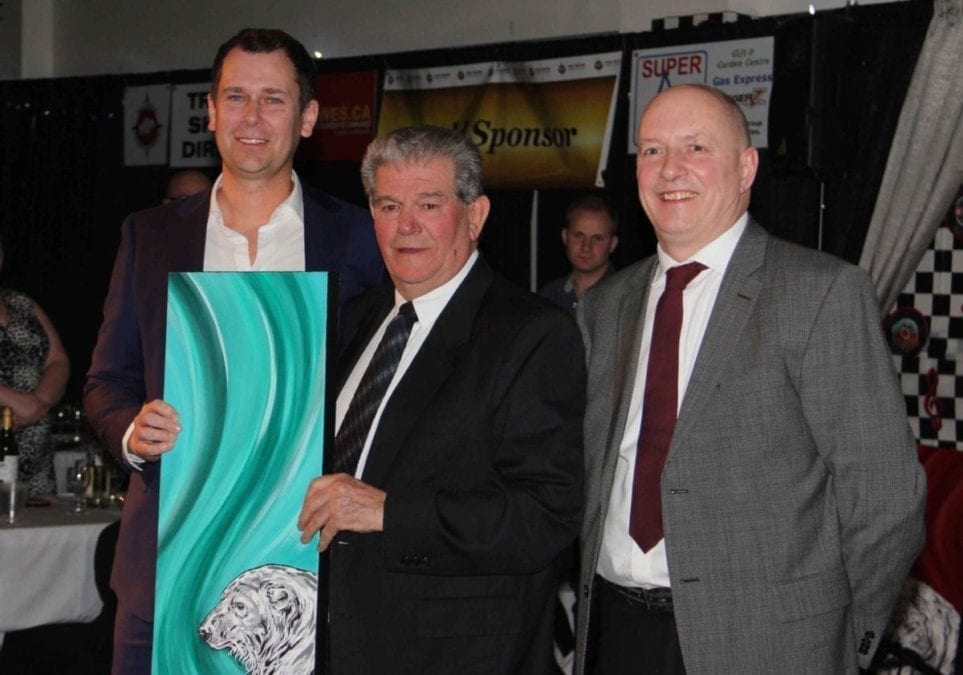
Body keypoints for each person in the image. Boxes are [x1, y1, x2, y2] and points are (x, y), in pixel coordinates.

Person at [574, 84, 926, 674]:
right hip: (615, 628)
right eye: (653, 150)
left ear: (746, 167)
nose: (671, 169)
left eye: (696, 147)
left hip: (768, 645)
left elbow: (887, 498)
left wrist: (837, 637)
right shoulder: (606, 305)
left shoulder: (820, 292)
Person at [84, 28, 385, 673]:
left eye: (273, 99)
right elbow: (106, 382)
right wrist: (133, 431)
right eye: (236, 97)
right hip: (165, 567)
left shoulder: (361, 239)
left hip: (310, 565)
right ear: (212, 111)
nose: (252, 118)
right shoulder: (150, 236)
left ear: (307, 118)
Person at [297, 125, 585, 673]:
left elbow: (545, 516)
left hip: (455, 654)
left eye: (429, 204)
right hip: (330, 645)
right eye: (388, 205)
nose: (406, 225)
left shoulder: (531, 333)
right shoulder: (353, 318)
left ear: (475, 217)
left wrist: (389, 512)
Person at [0, 234, 70, 495]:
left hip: (35, 456)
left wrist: (38, 403)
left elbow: (58, 361)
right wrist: (19, 402)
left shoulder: (22, 304)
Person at [539, 195, 619, 313]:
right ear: (565, 237)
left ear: (612, 244)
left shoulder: (625, 297)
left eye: (597, 238)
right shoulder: (550, 295)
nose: (586, 247)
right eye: (578, 236)